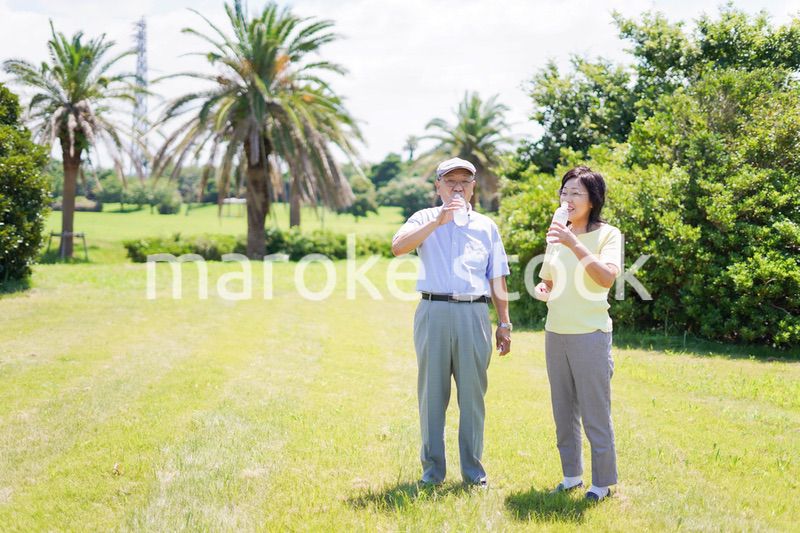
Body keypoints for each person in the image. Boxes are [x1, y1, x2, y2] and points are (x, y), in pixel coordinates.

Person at [391, 157, 512, 487]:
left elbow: (497, 278)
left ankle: (474, 475)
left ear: (474, 188)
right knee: (432, 395)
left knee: (473, 396)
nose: (458, 187)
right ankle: (433, 474)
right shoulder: (423, 218)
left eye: (465, 182)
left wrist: (504, 323)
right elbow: (398, 248)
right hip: (434, 311)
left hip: (474, 314)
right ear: (438, 186)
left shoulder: (486, 226)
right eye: (450, 181)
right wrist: (439, 222)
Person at [534, 165, 622, 502]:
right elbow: (550, 279)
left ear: (593, 199)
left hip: (590, 334)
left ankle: (602, 483)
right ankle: (571, 476)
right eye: (564, 191)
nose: (567, 198)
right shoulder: (556, 234)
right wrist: (544, 286)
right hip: (556, 332)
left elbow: (605, 278)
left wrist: (573, 243)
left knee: (594, 411)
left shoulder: (607, 235)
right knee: (563, 409)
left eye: (576, 193)